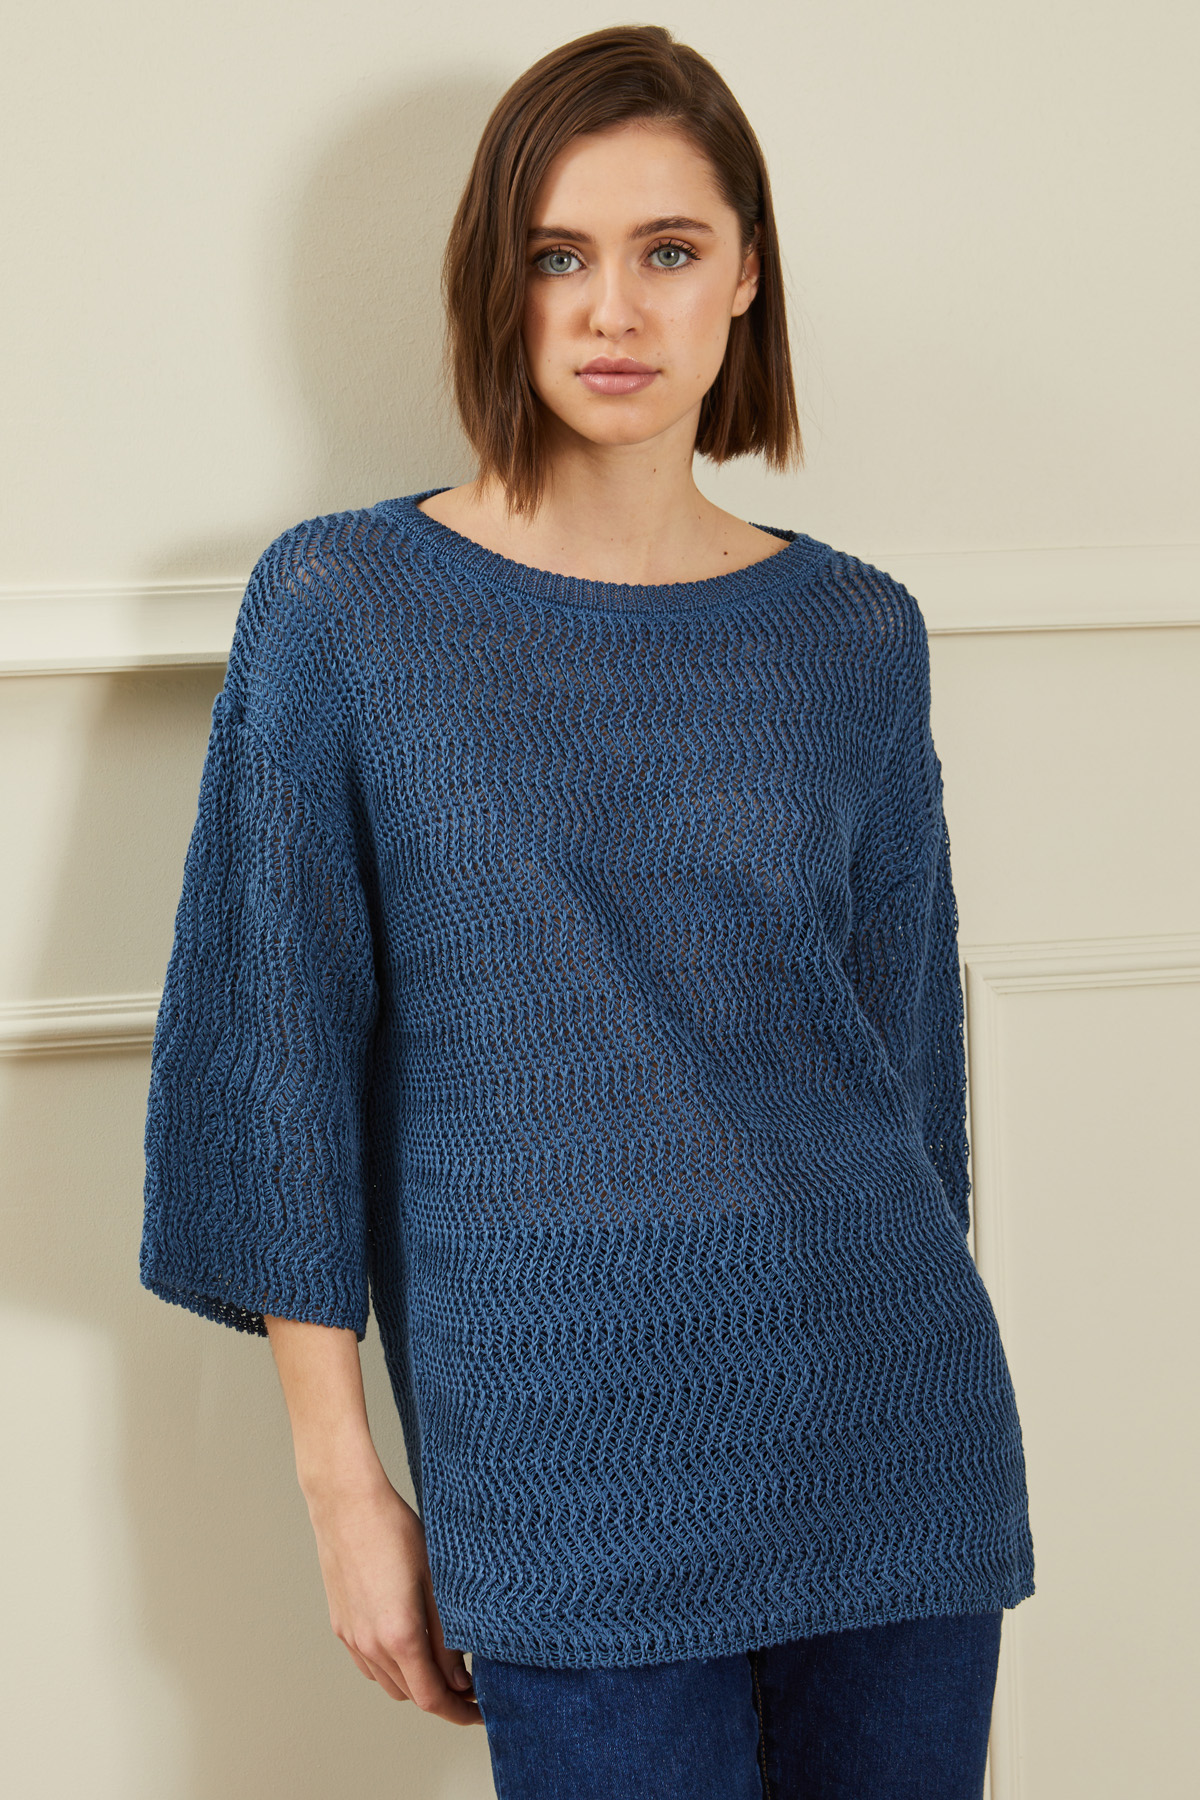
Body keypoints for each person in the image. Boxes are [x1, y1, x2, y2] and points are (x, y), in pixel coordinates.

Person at [140, 23, 1035, 1799]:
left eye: (667, 251)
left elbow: (910, 1072)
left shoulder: (855, 633)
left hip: (886, 1424)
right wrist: (344, 1485)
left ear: (746, 274)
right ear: (498, 280)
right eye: (558, 256)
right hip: (562, 1463)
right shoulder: (345, 609)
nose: (613, 310)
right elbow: (274, 1059)